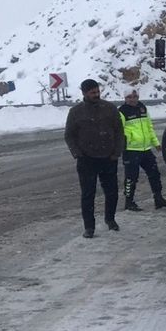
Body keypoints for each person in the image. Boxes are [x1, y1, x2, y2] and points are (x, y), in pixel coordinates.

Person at [64, 79, 125, 238]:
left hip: (108, 158)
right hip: (87, 160)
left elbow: (119, 132)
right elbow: (69, 136)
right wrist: (77, 154)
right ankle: (89, 227)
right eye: (92, 92)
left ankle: (110, 220)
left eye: (97, 91)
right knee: (88, 194)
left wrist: (116, 152)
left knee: (112, 192)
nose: (96, 95)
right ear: (84, 93)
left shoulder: (110, 108)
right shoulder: (76, 112)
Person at [118, 89, 166, 211]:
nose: (132, 99)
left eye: (135, 96)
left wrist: (156, 143)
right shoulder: (122, 112)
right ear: (125, 98)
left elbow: (149, 127)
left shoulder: (142, 108)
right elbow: (118, 131)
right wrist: (125, 143)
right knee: (131, 177)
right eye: (129, 97)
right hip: (131, 149)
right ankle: (129, 202)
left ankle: (158, 199)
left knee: (154, 173)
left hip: (145, 149)